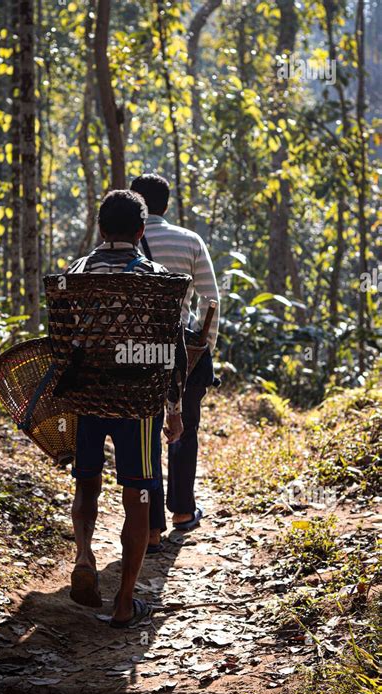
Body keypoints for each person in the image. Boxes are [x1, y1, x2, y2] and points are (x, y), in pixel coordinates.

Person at [65, 190, 187, 627]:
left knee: (87, 486)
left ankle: (83, 555)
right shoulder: (156, 278)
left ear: (100, 229)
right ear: (140, 231)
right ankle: (123, 602)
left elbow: (65, 344)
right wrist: (174, 409)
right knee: (137, 495)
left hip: (87, 398)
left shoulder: (75, 274)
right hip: (137, 405)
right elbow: (171, 351)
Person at [130, 173, 220, 550]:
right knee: (186, 428)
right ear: (166, 205)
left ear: (135, 201)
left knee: (145, 435)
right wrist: (200, 344)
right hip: (182, 347)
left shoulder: (120, 242)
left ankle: (151, 527)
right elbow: (211, 300)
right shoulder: (190, 241)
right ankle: (183, 511)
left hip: (134, 352)